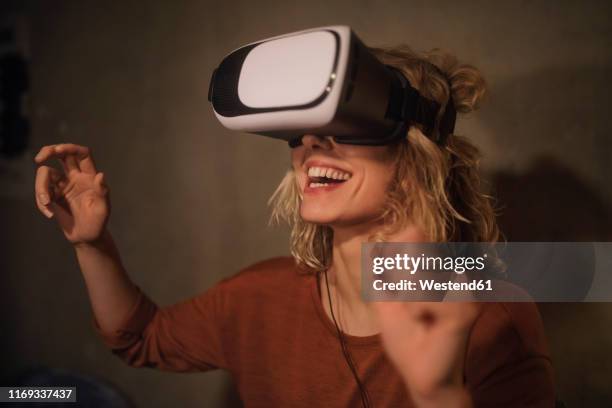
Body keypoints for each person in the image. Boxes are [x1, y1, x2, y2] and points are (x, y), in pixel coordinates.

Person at [33, 45, 555, 407]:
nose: (311, 143)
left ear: (415, 155)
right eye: (303, 130)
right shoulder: (261, 296)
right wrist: (92, 242)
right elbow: (141, 338)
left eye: (345, 123)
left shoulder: (493, 315)